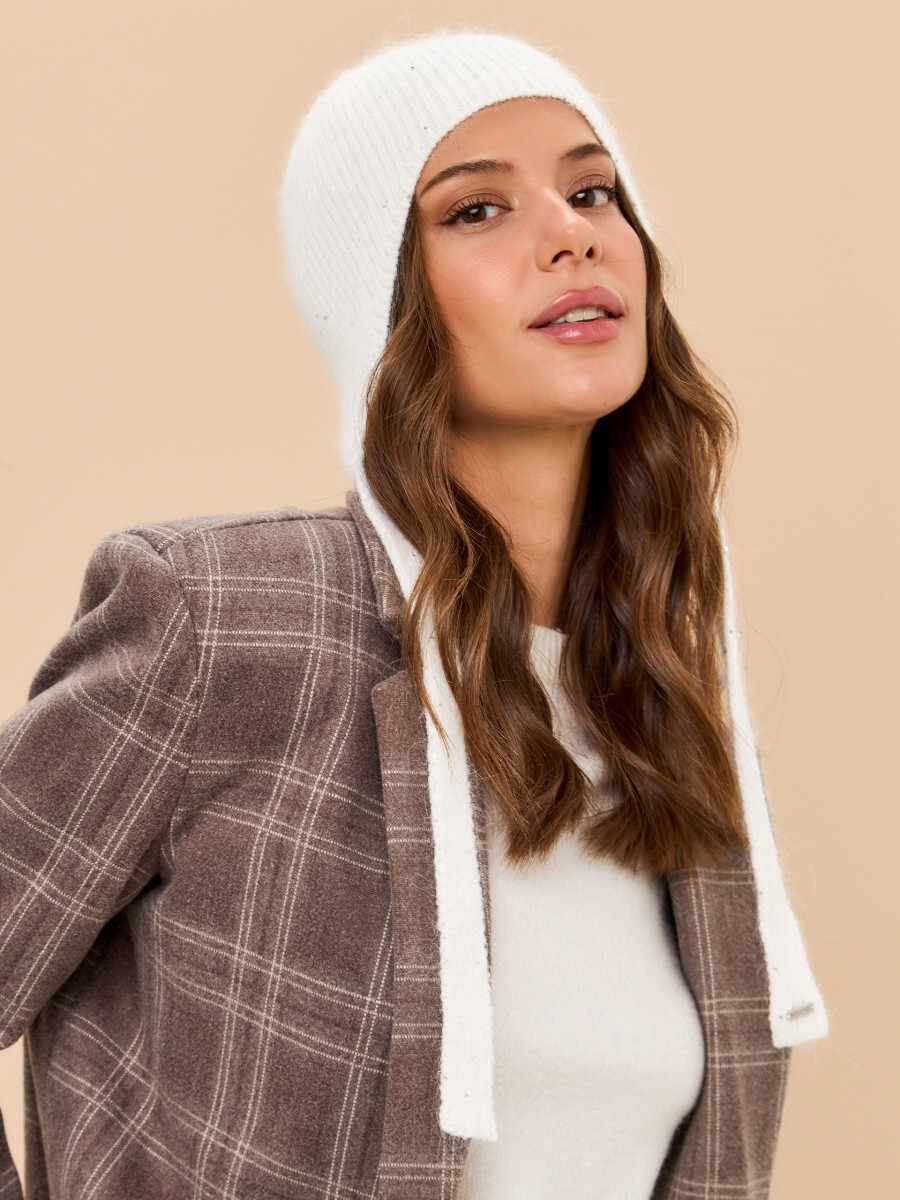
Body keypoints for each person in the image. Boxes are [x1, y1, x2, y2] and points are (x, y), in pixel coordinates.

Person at [0, 29, 827, 1200]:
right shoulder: (229, 623)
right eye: (476, 209)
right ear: (380, 298)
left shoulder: (675, 708)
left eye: (594, 191)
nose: (573, 233)